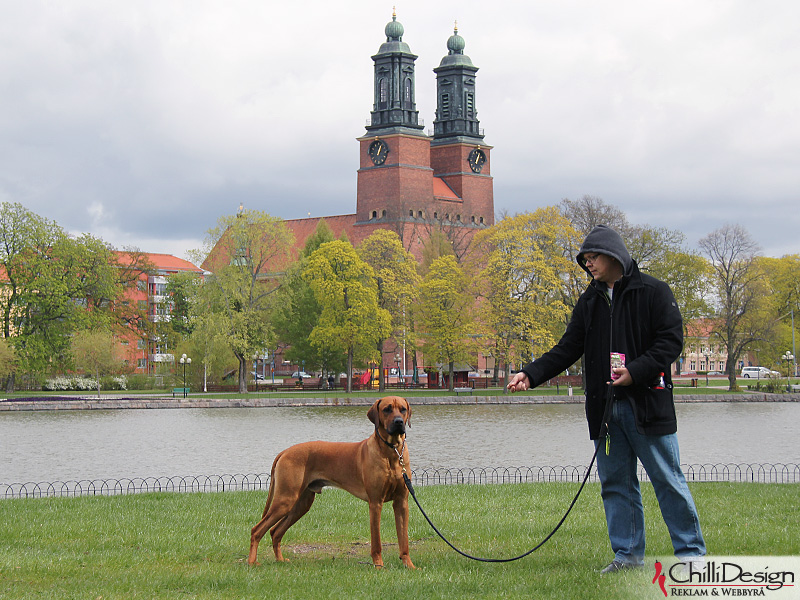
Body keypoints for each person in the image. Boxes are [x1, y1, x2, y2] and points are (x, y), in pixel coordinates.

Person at [507, 225, 706, 574]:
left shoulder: (655, 292)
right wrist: (531, 373)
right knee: (616, 484)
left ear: (614, 255)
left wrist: (636, 371)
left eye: (593, 257)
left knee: (667, 480)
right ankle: (627, 556)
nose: (589, 264)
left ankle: (691, 556)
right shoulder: (589, 301)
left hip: (648, 407)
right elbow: (568, 348)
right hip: (605, 411)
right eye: (585, 260)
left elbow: (671, 341)